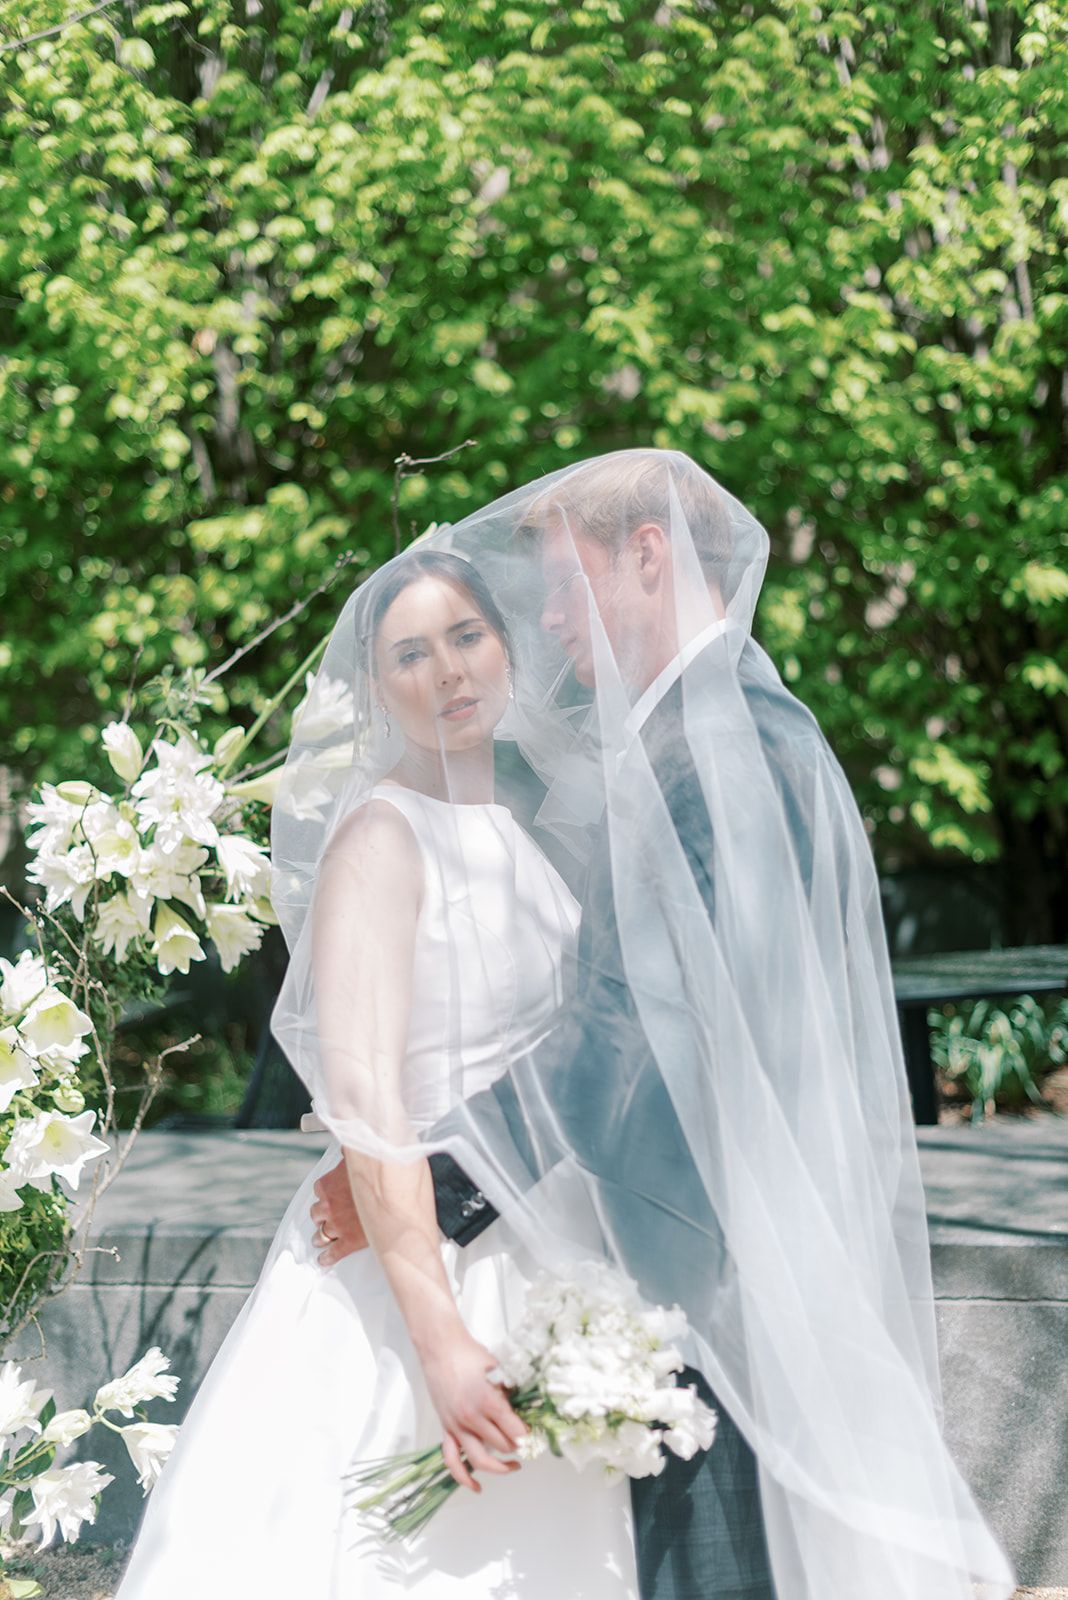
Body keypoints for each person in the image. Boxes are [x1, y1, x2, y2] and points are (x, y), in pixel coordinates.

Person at [309, 450, 1015, 1600]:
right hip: (701, 1235)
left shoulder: (706, 752)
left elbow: (632, 1040)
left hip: (695, 1249)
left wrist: (442, 1177)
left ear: (646, 555)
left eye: (558, 583)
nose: (544, 621)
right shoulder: (744, 721)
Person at [113, 549, 642, 1600]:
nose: (448, 671)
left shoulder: (514, 831)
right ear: (373, 686)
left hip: (542, 1236)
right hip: (410, 1272)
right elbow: (371, 1111)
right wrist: (442, 1342)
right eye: (411, 652)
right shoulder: (381, 841)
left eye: (466, 638)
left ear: (507, 646)